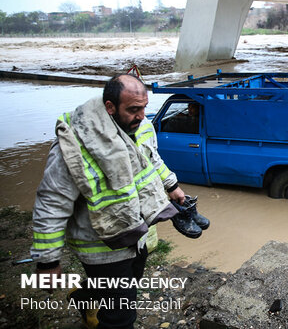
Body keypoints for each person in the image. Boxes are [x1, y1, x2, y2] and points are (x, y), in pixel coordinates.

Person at [31, 74, 187, 328]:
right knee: (120, 318)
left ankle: (84, 297)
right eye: (133, 109)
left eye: (144, 107)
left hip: (136, 235)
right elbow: (51, 203)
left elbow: (151, 159)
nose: (141, 115)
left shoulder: (140, 125)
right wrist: (48, 261)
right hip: (101, 248)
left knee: (129, 284)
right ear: (110, 107)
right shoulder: (74, 144)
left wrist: (172, 186)